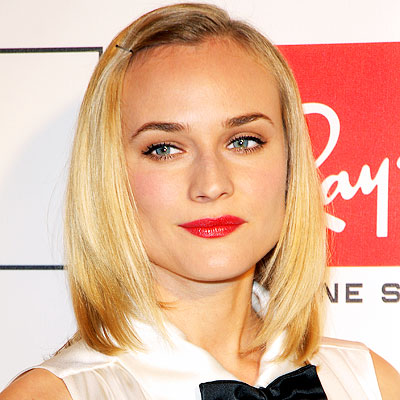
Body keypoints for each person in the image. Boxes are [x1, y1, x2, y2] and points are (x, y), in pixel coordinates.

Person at [1, 3, 399, 399]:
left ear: (291, 160)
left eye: (243, 141)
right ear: (109, 176)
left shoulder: (368, 383)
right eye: (165, 149)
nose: (211, 184)